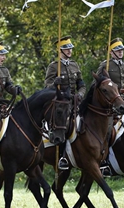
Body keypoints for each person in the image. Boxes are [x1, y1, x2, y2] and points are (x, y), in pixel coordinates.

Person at [96, 37, 124, 177]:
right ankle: (105, 162)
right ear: (111, 52)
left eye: (122, 50)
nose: (121, 52)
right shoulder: (105, 65)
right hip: (110, 104)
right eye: (118, 50)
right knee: (108, 131)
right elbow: (97, 85)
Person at [44, 35, 86, 170]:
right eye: (66, 49)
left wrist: (80, 94)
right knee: (64, 125)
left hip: (75, 101)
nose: (69, 51)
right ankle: (63, 157)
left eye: (70, 48)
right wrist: (54, 85)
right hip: (61, 103)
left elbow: (82, 84)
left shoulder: (75, 65)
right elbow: (47, 86)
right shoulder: (53, 66)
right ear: (60, 51)